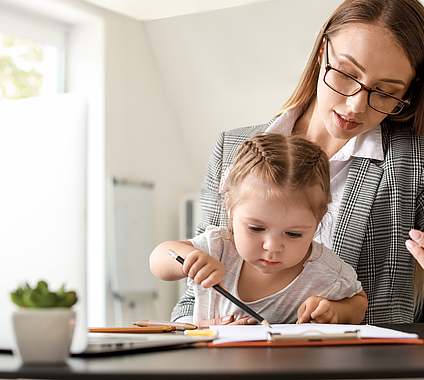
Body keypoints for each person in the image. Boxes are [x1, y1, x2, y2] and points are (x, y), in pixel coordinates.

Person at [170, 0, 424, 326]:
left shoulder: (418, 160)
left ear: (409, 91)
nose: (356, 104)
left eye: (386, 91)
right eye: (346, 73)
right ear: (321, 52)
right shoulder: (233, 148)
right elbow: (196, 288)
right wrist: (194, 333)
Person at [150, 133, 368, 324]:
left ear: (319, 220)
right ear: (230, 207)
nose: (272, 247)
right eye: (256, 228)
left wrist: (335, 311)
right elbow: (158, 259)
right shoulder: (218, 248)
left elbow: (359, 302)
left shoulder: (326, 272)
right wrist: (189, 259)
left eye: (293, 234)